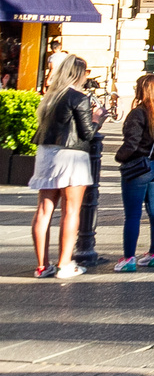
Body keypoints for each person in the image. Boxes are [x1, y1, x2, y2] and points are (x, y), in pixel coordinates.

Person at [29, 55, 103, 278]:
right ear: (79, 74)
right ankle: (64, 264)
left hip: (46, 153)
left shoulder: (50, 97)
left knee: (44, 210)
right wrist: (99, 117)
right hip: (71, 156)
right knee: (71, 211)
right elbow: (88, 133)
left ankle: (42, 266)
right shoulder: (78, 97)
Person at [114, 73, 154, 272]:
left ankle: (129, 259)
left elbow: (131, 144)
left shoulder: (138, 113)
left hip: (139, 168)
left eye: (137, 86)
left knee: (132, 215)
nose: (135, 89)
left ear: (143, 90)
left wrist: (120, 157)